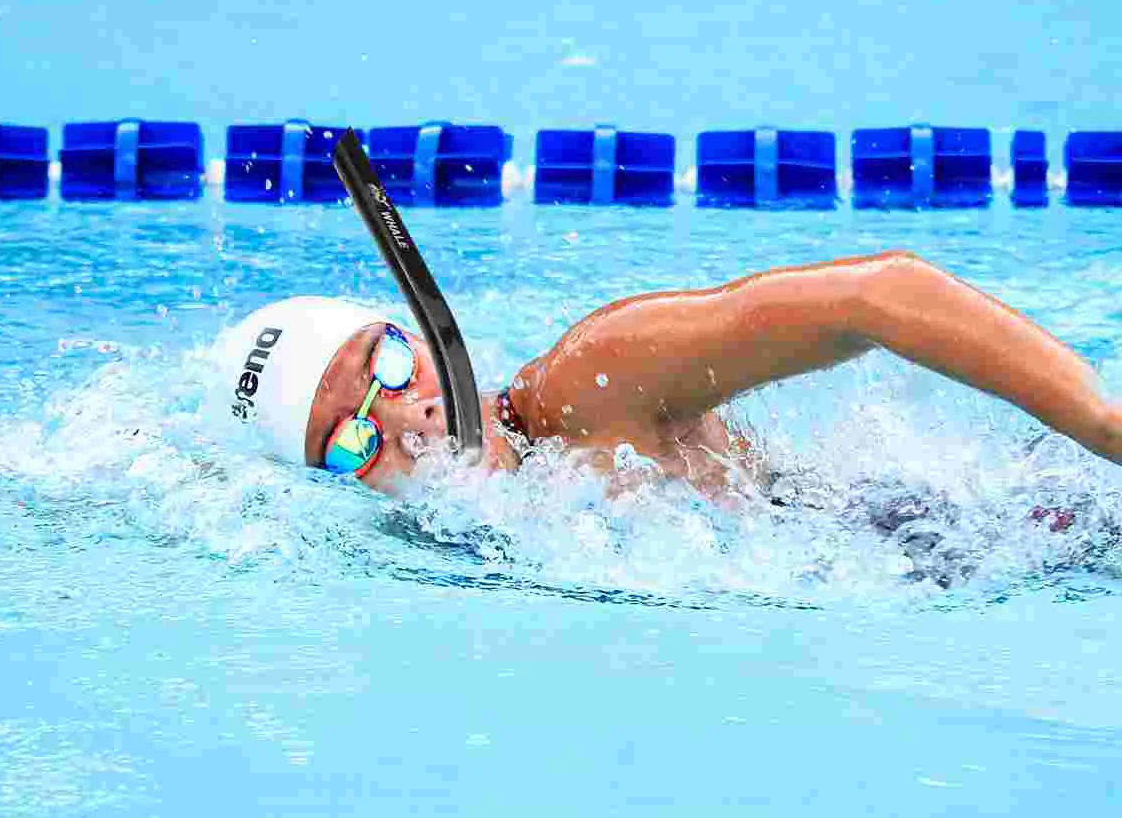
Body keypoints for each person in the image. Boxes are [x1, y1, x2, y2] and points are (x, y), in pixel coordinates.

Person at [215, 249, 1122, 509]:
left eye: (382, 364)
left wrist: (1107, 423)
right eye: (349, 440)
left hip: (971, 536)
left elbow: (880, 296)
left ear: (416, 332)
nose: (401, 418)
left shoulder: (590, 383)